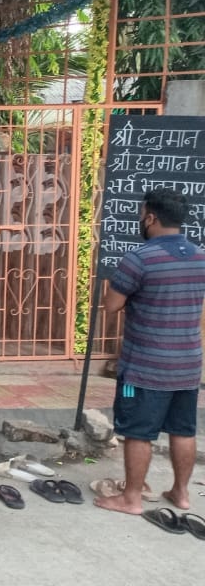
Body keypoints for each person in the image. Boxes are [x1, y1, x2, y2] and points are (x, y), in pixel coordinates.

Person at [94, 188, 205, 516]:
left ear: (151, 217)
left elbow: (111, 306)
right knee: (183, 429)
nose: (140, 219)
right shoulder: (200, 257)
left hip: (144, 366)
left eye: (142, 214)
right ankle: (181, 494)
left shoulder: (139, 258)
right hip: (187, 364)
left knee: (137, 432)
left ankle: (131, 499)